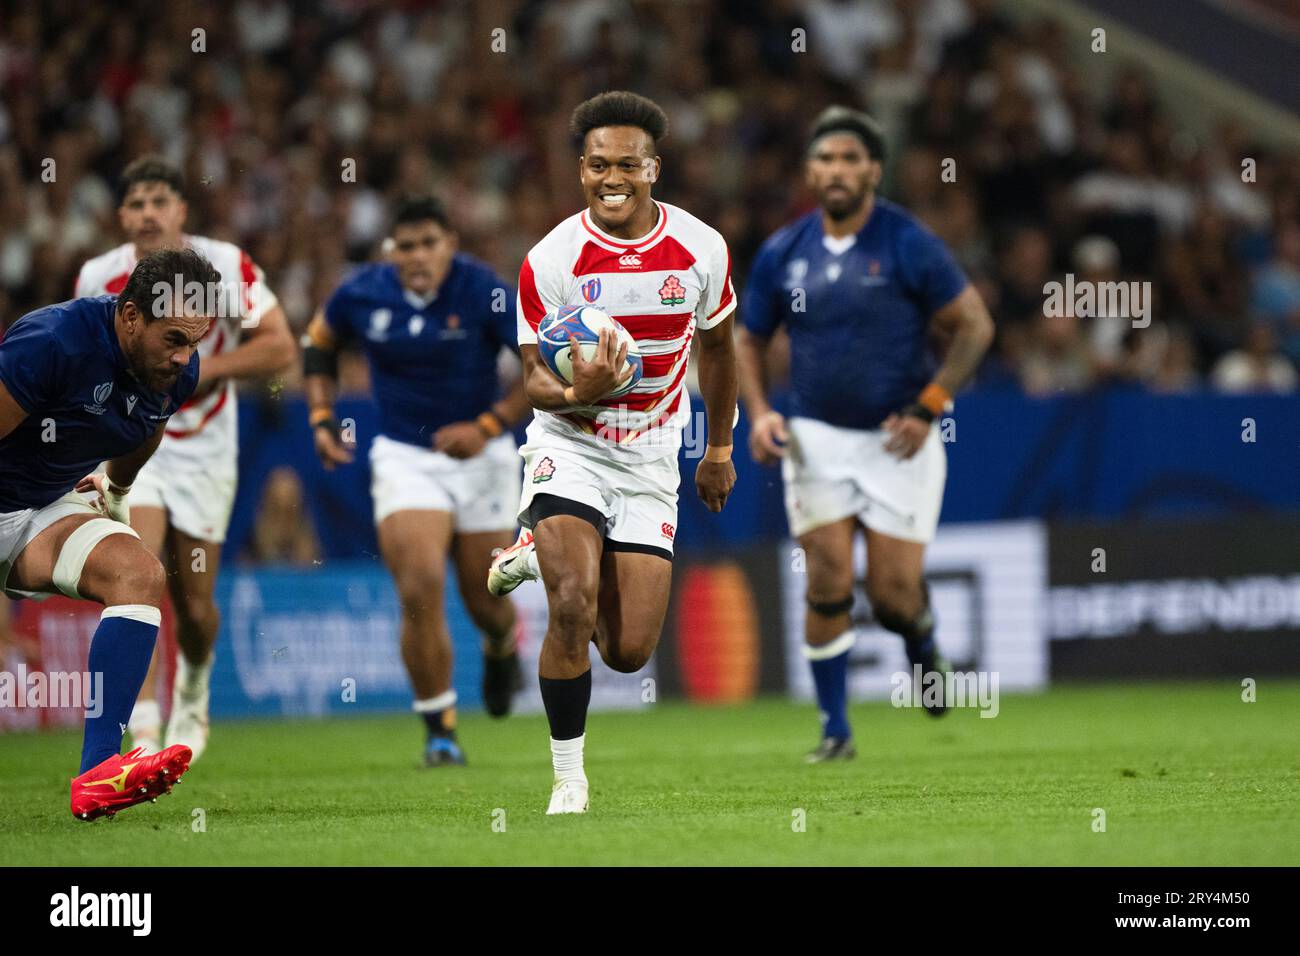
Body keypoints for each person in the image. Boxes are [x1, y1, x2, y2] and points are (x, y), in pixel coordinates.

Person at [487, 91, 738, 813]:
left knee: (628, 650)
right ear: (582, 169)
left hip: (653, 455)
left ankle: (533, 550)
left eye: (628, 163)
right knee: (571, 604)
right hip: (571, 447)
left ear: (653, 167)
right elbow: (533, 376)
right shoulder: (551, 259)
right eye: (598, 164)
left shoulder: (701, 249)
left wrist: (718, 446)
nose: (612, 177)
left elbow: (720, 351)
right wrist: (576, 394)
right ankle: (569, 781)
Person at [737, 107, 993, 762]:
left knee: (891, 596)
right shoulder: (783, 250)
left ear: (873, 170)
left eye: (851, 159)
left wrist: (930, 403)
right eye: (826, 159)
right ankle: (835, 729)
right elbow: (749, 337)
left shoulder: (906, 241)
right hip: (816, 436)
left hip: (896, 439)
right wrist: (762, 410)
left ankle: (922, 641)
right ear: (810, 171)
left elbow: (974, 325)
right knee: (825, 578)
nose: (838, 170)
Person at [74, 156, 295, 761]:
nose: (148, 214)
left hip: (206, 447)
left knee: (196, 603)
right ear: (121, 216)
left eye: (159, 201)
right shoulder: (100, 274)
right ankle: (143, 729)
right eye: (136, 204)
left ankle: (193, 691)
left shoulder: (221, 266)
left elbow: (279, 345)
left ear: (181, 210)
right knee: (137, 570)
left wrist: (199, 371)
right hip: (135, 440)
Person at [304, 196, 530, 766]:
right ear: (391, 251)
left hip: (484, 455)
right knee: (420, 583)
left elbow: (542, 369)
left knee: (487, 599)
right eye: (406, 245)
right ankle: (441, 731)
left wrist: (488, 424)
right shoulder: (362, 292)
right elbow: (318, 343)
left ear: (450, 242)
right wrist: (320, 417)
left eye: (429, 242)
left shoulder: (486, 290)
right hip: (406, 455)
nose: (418, 255)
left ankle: (502, 644)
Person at [0, 248, 219, 819]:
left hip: (46, 506)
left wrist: (118, 495)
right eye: (173, 338)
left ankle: (98, 774)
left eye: (195, 340)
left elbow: (145, 428)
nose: (184, 357)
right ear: (129, 317)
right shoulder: (52, 342)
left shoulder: (175, 371)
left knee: (140, 573)